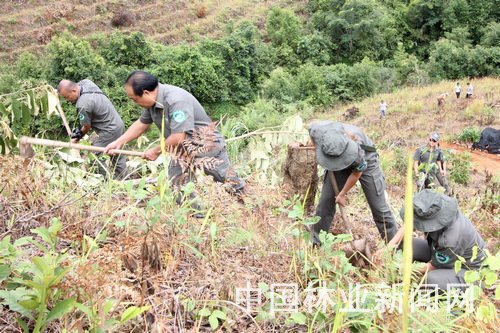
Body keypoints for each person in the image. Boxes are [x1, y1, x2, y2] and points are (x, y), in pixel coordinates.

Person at [103, 71, 244, 209]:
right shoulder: (152, 103)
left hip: (207, 147)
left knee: (228, 180)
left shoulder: (176, 100)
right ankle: (196, 216)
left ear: (146, 93)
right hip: (181, 151)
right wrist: (118, 142)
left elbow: (178, 136)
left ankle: (251, 205)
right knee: (177, 183)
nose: (134, 102)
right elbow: (141, 124)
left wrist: (156, 151)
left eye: (134, 99)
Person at [308, 121, 398, 245]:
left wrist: (342, 194)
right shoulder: (317, 130)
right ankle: (315, 242)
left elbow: (357, 173)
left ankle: (395, 246)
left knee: (379, 209)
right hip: (334, 159)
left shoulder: (358, 150)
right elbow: (311, 131)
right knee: (325, 202)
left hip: (367, 162)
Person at [400, 190, 486, 290]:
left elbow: (433, 267)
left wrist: (407, 270)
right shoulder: (439, 210)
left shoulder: (449, 239)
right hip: (445, 254)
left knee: (431, 280)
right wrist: (390, 247)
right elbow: (408, 224)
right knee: (408, 244)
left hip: (469, 270)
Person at [57, 79, 127, 180]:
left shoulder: (82, 104)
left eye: (67, 97)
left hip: (109, 130)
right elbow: (75, 84)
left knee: (95, 157)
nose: (67, 100)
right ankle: (124, 181)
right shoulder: (87, 83)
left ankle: (107, 182)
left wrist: (76, 138)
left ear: (74, 91)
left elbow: (86, 127)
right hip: (118, 123)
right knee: (117, 155)